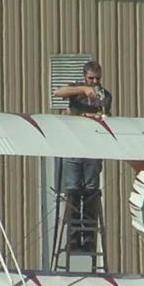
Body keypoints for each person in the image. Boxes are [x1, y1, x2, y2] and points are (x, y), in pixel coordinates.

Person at [53, 61, 114, 251]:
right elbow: (58, 92)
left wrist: (96, 117)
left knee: (90, 192)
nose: (94, 82)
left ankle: (88, 240)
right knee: (72, 191)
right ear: (84, 77)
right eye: (91, 78)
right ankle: (72, 240)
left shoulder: (105, 95)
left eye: (97, 79)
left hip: (93, 149)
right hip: (73, 149)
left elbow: (104, 114)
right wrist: (83, 90)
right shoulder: (76, 90)